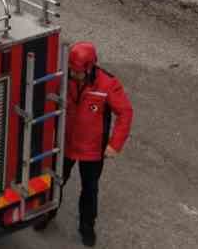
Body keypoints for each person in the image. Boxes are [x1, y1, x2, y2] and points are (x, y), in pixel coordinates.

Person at [33, 41, 133, 247]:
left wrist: (115, 144)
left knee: (90, 190)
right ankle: (47, 213)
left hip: (93, 151)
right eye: (71, 70)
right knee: (55, 182)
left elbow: (125, 112)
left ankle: (87, 227)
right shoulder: (64, 77)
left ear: (89, 68)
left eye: (77, 72)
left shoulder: (108, 84)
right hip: (65, 144)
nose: (73, 75)